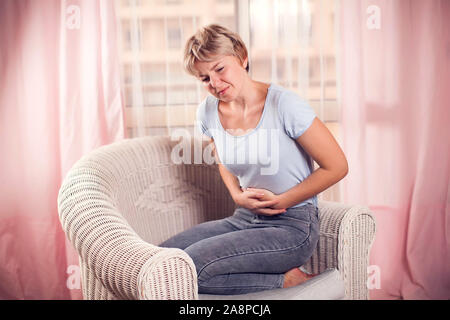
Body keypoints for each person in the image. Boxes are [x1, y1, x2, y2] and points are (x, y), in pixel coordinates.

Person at [159, 24, 348, 295]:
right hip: (244, 219)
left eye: (220, 69)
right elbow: (221, 157)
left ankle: (287, 281)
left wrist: (284, 200)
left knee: (191, 268)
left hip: (292, 226)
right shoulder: (208, 111)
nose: (214, 83)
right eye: (204, 78)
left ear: (242, 57)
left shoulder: (284, 105)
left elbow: (337, 166)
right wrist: (236, 194)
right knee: (160, 259)